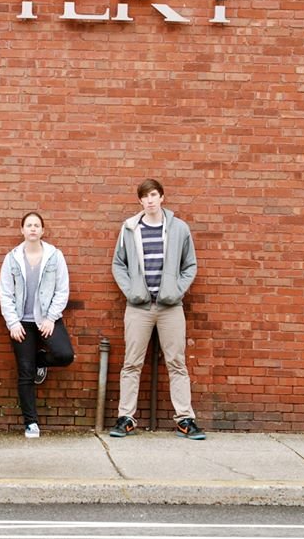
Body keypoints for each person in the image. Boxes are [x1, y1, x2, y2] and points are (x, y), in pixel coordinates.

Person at [109, 178, 205, 440]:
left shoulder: (179, 228)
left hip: (170, 307)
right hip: (138, 307)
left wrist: (176, 290)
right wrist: (131, 291)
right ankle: (126, 418)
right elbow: (118, 264)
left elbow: (190, 265)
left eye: (153, 195)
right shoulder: (130, 228)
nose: (149, 200)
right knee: (131, 364)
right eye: (145, 196)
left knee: (177, 363)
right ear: (140, 201)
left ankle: (185, 420)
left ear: (162, 197)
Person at [0, 211, 74, 438]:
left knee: (65, 355)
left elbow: (62, 289)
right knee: (25, 373)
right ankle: (31, 423)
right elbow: (5, 293)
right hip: (21, 323)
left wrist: (51, 318)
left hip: (47, 319)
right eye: (28, 225)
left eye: (36, 225)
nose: (32, 228)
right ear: (22, 230)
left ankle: (39, 360)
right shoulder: (12, 258)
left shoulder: (54, 256)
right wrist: (13, 323)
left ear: (42, 231)